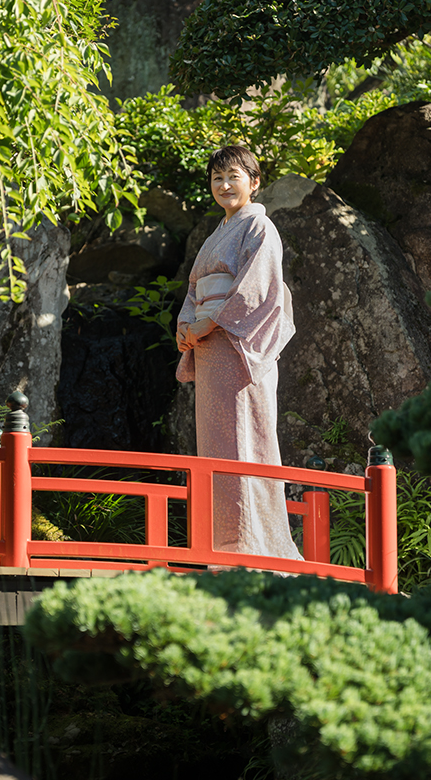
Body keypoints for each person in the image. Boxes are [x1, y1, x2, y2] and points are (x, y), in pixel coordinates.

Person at [176, 145, 303, 564]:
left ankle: (253, 548)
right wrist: (186, 326)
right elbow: (196, 289)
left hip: (239, 345)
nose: (224, 185)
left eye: (233, 176)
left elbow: (256, 291)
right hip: (211, 347)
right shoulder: (217, 234)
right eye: (217, 178)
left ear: (254, 181)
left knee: (245, 441)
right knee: (216, 447)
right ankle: (221, 548)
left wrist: (207, 324)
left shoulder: (259, 228)